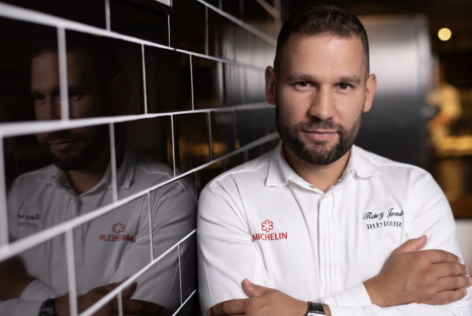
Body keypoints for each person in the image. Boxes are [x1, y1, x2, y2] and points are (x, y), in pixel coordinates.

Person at [197, 5, 472, 316]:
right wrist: (382, 292)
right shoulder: (228, 198)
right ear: (272, 86)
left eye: (343, 85)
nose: (322, 110)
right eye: (304, 83)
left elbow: (453, 312)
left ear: (368, 93)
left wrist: (308, 311)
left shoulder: (415, 190)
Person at [0, 31, 196, 316]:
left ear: (117, 95)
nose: (52, 120)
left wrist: (28, 294)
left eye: (72, 95)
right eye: (40, 98)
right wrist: (60, 308)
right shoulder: (23, 189)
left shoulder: (166, 196)